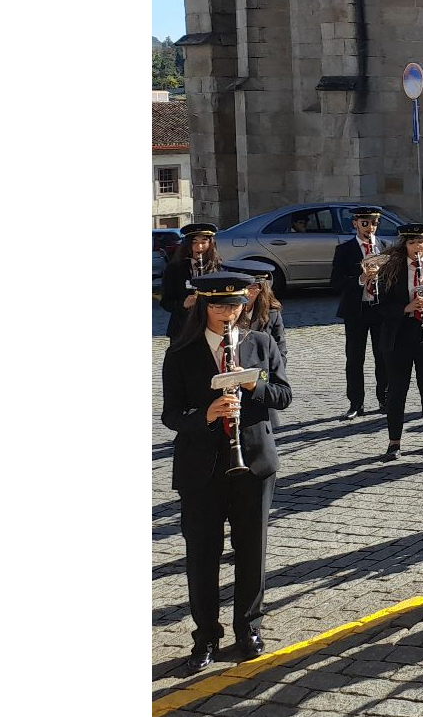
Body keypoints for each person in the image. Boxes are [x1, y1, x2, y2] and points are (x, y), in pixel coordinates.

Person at [161, 271, 291, 673]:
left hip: (253, 461)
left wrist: (252, 387)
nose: (226, 313)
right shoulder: (181, 351)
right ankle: (205, 636)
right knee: (203, 554)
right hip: (202, 467)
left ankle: (248, 627)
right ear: (203, 306)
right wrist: (205, 414)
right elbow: (170, 414)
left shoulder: (260, 343)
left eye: (234, 305)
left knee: (252, 550)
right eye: (217, 305)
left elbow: (283, 396)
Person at [375, 222, 423, 459]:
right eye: (412, 242)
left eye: (421, 242)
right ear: (405, 244)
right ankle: (394, 441)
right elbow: (380, 307)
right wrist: (406, 307)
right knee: (397, 390)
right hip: (399, 336)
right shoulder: (391, 269)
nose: (417, 246)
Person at [331, 207, 387, 420]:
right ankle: (356, 403)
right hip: (356, 310)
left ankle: (384, 398)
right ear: (355, 223)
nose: (369, 228)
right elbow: (335, 282)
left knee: (383, 356)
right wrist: (360, 280)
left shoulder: (385, 247)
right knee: (355, 358)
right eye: (365, 223)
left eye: (373, 223)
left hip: (379, 309)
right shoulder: (344, 249)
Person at [162, 222, 223, 340]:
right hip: (182, 327)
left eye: (203, 242)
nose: (199, 247)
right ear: (187, 244)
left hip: (211, 327)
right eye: (194, 242)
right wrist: (183, 304)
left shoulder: (219, 268)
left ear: (210, 244)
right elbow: (166, 302)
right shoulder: (174, 268)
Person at [224, 259, 286, 363]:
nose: (246, 293)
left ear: (261, 289)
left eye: (252, 287)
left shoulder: (272, 314)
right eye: (242, 288)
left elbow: (280, 353)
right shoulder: (222, 313)